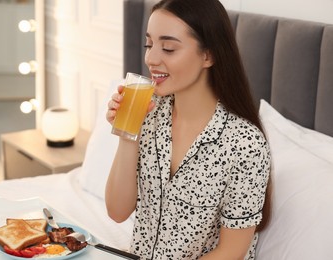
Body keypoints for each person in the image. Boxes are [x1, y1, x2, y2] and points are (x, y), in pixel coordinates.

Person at [105, 0, 271, 259]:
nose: (151, 58)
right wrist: (128, 132)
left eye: (168, 48)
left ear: (209, 55)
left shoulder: (245, 143)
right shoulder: (149, 111)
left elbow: (232, 251)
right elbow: (117, 211)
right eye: (149, 44)